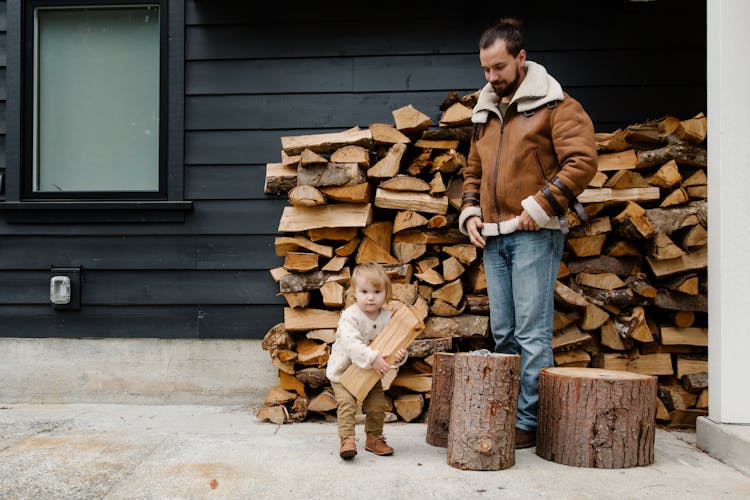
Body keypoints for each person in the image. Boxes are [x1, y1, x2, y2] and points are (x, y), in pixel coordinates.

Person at [458, 17, 598, 449]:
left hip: (535, 233)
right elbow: (473, 169)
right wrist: (469, 211)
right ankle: (503, 412)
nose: (491, 77)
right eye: (485, 69)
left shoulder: (556, 104)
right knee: (503, 331)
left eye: (498, 67)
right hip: (494, 236)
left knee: (532, 334)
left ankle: (527, 422)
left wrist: (541, 206)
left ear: (521, 58)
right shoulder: (485, 110)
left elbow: (582, 162)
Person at [325, 261, 408, 460]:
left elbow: (394, 343)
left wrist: (400, 355)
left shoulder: (388, 318)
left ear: (386, 293)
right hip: (343, 372)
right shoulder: (349, 317)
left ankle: (374, 437)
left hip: (370, 374)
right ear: (354, 293)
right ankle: (347, 439)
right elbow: (351, 343)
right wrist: (373, 358)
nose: (370, 297)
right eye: (364, 292)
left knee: (377, 404)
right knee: (347, 404)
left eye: (377, 291)